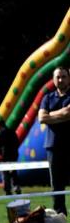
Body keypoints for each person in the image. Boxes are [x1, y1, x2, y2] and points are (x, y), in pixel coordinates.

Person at [38, 66, 70, 215]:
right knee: (56, 184)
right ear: (53, 79)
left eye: (64, 76)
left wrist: (50, 116)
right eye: (58, 77)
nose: (61, 79)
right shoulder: (47, 97)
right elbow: (41, 118)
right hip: (53, 146)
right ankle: (60, 214)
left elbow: (68, 113)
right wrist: (61, 115)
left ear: (68, 78)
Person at [0, 119, 21, 195]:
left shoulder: (0, 132)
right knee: (13, 172)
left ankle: (7, 190)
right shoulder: (12, 131)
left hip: (5, 156)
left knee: (5, 173)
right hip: (14, 155)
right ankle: (17, 188)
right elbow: (17, 142)